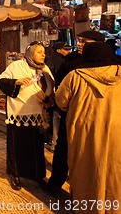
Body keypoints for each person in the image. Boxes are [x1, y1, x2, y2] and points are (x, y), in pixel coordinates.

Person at [55, 42, 121, 214]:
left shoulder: (75, 76)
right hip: (117, 132)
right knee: (114, 170)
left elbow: (61, 101)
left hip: (85, 131)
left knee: (87, 170)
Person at [46, 29, 105, 195]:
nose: (79, 45)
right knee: (63, 147)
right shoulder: (70, 61)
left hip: (98, 116)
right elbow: (60, 86)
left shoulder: (109, 63)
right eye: (79, 41)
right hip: (71, 113)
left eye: (84, 42)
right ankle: (56, 182)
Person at [0, 41, 55, 191]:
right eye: (39, 52)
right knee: (17, 146)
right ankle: (14, 174)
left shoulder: (45, 69)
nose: (43, 54)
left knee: (35, 146)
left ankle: (37, 174)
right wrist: (16, 82)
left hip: (37, 114)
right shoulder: (16, 66)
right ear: (31, 53)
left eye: (44, 52)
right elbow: (1, 81)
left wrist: (48, 100)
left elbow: (50, 87)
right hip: (19, 113)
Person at [44, 42, 73, 152]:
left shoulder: (53, 61)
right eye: (66, 49)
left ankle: (54, 143)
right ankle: (55, 143)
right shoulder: (59, 62)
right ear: (58, 50)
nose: (68, 51)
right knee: (57, 119)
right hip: (58, 94)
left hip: (56, 94)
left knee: (56, 119)